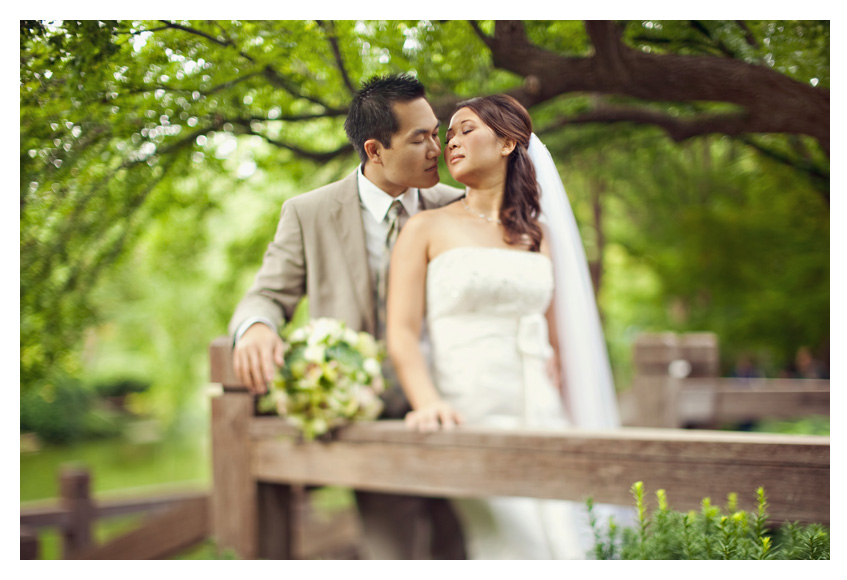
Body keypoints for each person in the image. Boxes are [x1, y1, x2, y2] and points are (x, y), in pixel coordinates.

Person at [228, 74, 466, 560]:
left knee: (468, 549)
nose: (436, 148)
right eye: (420, 138)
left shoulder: (459, 205)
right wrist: (255, 328)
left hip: (460, 410)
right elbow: (268, 295)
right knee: (390, 556)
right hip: (370, 425)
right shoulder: (308, 213)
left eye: (435, 132)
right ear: (375, 150)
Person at [386, 94, 624, 559]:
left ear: (508, 143)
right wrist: (428, 402)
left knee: (567, 537)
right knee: (510, 543)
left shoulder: (541, 236)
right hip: (466, 410)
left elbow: (560, 339)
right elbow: (401, 332)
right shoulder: (426, 228)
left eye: (465, 129)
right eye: (447, 134)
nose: (450, 142)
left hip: (541, 413)